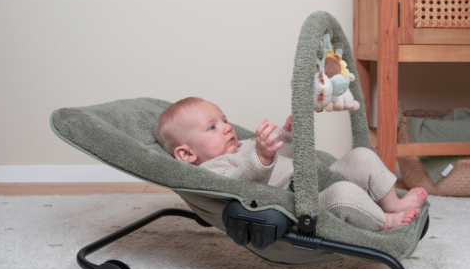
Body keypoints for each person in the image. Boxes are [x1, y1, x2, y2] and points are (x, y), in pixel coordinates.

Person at [155, 97, 428, 231]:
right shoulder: (212, 170)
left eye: (224, 120)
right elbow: (239, 184)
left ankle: (392, 203)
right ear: (186, 154)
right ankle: (385, 221)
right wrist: (262, 156)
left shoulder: (244, 144)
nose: (227, 128)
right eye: (212, 127)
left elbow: (285, 156)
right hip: (304, 204)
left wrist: (286, 136)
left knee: (361, 156)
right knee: (344, 194)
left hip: (316, 177)